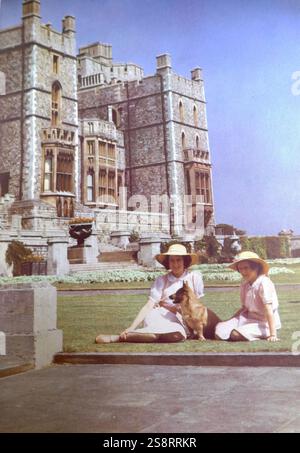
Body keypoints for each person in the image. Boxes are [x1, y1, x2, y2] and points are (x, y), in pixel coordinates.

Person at [95, 243, 206, 343]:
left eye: (178, 260)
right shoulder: (161, 280)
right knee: (158, 333)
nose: (175, 264)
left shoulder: (194, 278)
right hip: (160, 315)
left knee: (177, 335)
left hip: (182, 320)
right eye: (172, 260)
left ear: (184, 261)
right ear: (168, 262)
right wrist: (132, 326)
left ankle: (143, 336)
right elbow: (149, 305)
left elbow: (199, 307)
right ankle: (122, 337)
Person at [215, 251, 281, 342]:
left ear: (256, 268)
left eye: (246, 268)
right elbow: (244, 308)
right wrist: (229, 321)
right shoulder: (245, 284)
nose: (243, 272)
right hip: (248, 319)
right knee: (219, 330)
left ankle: (265, 333)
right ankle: (242, 331)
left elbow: (268, 309)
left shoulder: (264, 283)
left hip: (264, 322)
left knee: (235, 334)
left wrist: (273, 334)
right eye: (240, 269)